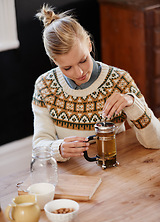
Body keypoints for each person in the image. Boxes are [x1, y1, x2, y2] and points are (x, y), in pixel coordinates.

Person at [32, 4, 160, 162]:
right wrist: (58, 149)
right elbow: (39, 146)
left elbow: (156, 141)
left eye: (83, 60)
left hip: (115, 170)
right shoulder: (44, 86)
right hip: (72, 176)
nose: (79, 73)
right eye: (67, 68)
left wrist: (132, 102)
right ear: (54, 61)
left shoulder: (119, 80)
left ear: (89, 45)